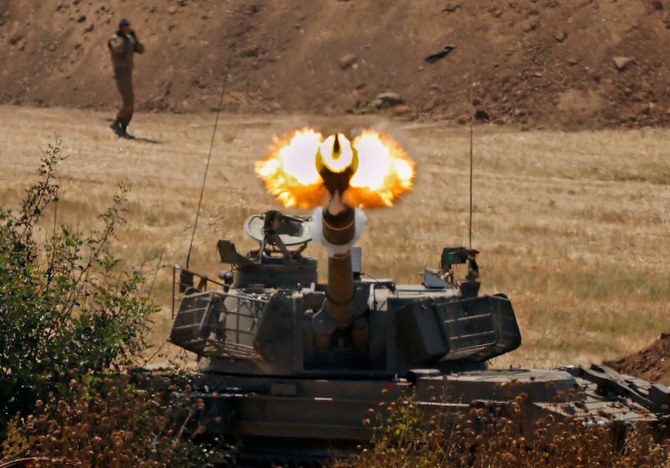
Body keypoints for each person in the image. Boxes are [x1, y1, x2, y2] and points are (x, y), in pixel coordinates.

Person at [108, 19, 144, 138]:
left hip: (128, 74)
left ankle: (123, 127)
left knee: (131, 104)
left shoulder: (129, 39)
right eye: (125, 27)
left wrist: (135, 40)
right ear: (121, 28)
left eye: (128, 26)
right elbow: (118, 48)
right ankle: (116, 123)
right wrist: (124, 38)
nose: (128, 29)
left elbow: (141, 50)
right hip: (120, 74)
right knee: (128, 102)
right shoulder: (115, 39)